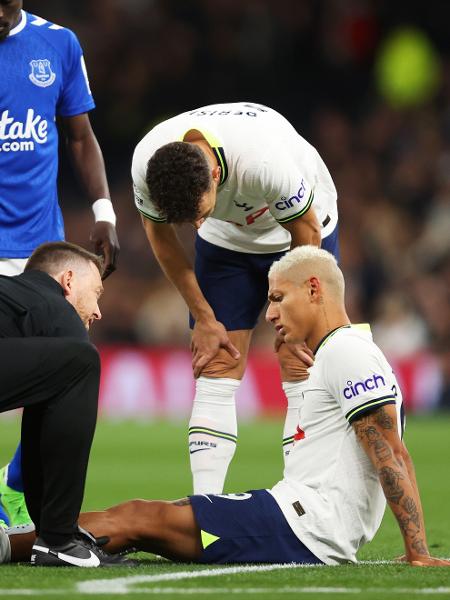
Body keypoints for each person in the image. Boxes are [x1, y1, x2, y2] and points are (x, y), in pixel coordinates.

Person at [3, 246, 449, 567]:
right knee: (153, 515)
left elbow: (389, 451)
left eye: (277, 298)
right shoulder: (330, 355)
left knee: (140, 517)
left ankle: (21, 544)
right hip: (301, 515)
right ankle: (35, 541)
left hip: (305, 526)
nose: (269, 313)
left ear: (315, 289)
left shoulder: (350, 352)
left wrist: (418, 550)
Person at [132, 101, 339, 494]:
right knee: (216, 360)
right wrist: (203, 316)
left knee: (298, 363)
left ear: (214, 175)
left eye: (198, 212)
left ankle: (303, 497)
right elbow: (161, 238)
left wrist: (288, 307)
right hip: (226, 241)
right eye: (187, 219)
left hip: (300, 231)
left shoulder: (263, 160)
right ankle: (207, 506)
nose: (194, 223)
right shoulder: (148, 162)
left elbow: (307, 233)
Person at [0, 0, 120, 529]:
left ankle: (22, 488)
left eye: (7, 4)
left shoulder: (59, 44)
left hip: (40, 258)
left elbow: (79, 135)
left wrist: (103, 209)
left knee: (67, 367)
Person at [0, 241, 134, 567]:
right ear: (69, 281)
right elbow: (55, 416)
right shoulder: (53, 305)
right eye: (97, 292)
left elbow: (43, 412)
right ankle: (59, 541)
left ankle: (54, 536)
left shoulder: (17, 299)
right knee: (83, 361)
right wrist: (58, 535)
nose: (99, 311)